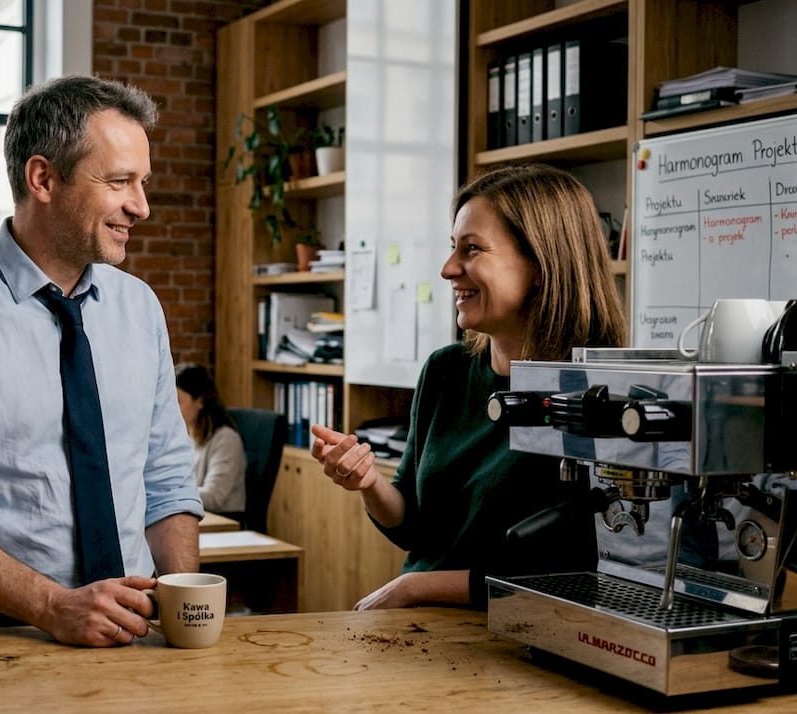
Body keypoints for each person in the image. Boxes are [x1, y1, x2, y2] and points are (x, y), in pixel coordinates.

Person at [0, 75, 202, 647]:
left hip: (132, 629)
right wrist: (54, 607)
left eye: (142, 182)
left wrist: (182, 601)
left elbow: (166, 476)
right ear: (43, 178)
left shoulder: (140, 308)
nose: (142, 207)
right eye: (119, 182)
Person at [309, 163, 626, 610]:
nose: (448, 269)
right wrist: (367, 482)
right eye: (452, 248)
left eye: (472, 249)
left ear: (540, 266)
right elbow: (412, 525)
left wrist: (415, 587)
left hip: (514, 632)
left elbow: (569, 569)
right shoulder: (446, 370)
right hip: (422, 628)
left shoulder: (595, 394)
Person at [175, 363, 246, 514]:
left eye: (178, 401)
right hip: (195, 516)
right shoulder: (184, 437)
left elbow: (214, 496)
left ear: (200, 401)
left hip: (224, 524)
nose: (172, 408)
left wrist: (170, 495)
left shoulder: (226, 440)